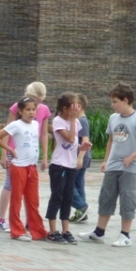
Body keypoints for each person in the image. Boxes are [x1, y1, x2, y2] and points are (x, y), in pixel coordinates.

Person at [79, 83, 136, 247]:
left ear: (125, 100)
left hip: (131, 168)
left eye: (115, 101)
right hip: (113, 166)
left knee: (127, 200)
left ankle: (125, 235)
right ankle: (99, 232)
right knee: (106, 198)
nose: (112, 105)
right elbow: (111, 139)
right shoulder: (114, 118)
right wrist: (106, 160)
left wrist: (132, 157)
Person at [0, 82, 51, 233]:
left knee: (30, 191)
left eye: (39, 101)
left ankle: (30, 222)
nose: (36, 106)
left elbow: (44, 134)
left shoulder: (44, 110)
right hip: (15, 153)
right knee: (10, 185)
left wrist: (45, 156)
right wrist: (4, 153)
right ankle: (1, 219)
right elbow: (6, 130)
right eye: (33, 99)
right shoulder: (18, 107)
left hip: (30, 156)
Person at [45, 92, 92, 244]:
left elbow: (73, 144)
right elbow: (70, 138)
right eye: (73, 105)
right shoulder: (58, 121)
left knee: (68, 198)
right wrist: (72, 119)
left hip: (71, 166)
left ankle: (66, 229)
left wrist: (82, 147)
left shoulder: (76, 122)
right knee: (57, 197)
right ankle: (52, 230)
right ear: (65, 108)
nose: (77, 108)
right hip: (59, 166)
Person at [70, 93, 92, 223]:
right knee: (78, 185)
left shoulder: (81, 121)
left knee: (69, 184)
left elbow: (85, 140)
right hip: (84, 157)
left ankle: (82, 207)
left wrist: (79, 158)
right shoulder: (82, 120)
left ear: (78, 105)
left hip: (81, 157)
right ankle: (82, 213)